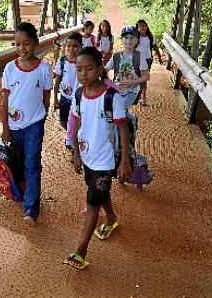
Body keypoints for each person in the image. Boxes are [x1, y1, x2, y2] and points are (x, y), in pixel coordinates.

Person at [62, 46, 132, 270]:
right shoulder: (78, 96)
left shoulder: (112, 98)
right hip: (87, 157)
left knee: (92, 203)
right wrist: (75, 152)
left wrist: (125, 161)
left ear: (100, 69)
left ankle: (80, 251)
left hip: (105, 162)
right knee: (99, 192)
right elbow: (76, 122)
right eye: (79, 69)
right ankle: (111, 218)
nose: (83, 74)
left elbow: (123, 129)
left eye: (89, 69)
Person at [1, 22, 53, 224]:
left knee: (32, 163)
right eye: (17, 45)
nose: (22, 49)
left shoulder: (44, 69)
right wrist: (5, 128)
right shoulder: (9, 69)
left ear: (35, 43)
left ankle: (31, 209)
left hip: (34, 124)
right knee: (18, 162)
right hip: (14, 127)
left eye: (27, 44)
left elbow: (47, 95)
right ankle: (22, 191)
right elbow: (4, 101)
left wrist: (42, 115)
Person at [106, 25, 150, 109]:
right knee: (111, 107)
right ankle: (131, 118)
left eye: (132, 38)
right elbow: (105, 69)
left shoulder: (139, 57)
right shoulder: (116, 56)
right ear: (121, 39)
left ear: (137, 40)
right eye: (126, 37)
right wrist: (108, 82)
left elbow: (146, 76)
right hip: (117, 89)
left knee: (120, 107)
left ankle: (128, 118)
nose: (129, 40)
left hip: (132, 91)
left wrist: (133, 82)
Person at [54, 33, 82, 130]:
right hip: (64, 98)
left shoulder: (83, 63)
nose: (71, 49)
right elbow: (57, 80)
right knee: (63, 121)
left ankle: (75, 140)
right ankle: (70, 135)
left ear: (81, 47)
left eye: (75, 46)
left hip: (79, 99)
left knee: (77, 122)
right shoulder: (62, 61)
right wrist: (55, 99)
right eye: (68, 46)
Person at [135, 20, 160, 106]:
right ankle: (136, 97)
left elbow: (155, 47)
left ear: (147, 27)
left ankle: (144, 99)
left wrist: (159, 57)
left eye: (144, 26)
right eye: (140, 26)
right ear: (137, 28)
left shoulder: (150, 37)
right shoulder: (135, 37)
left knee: (144, 80)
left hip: (147, 60)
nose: (142, 28)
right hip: (137, 60)